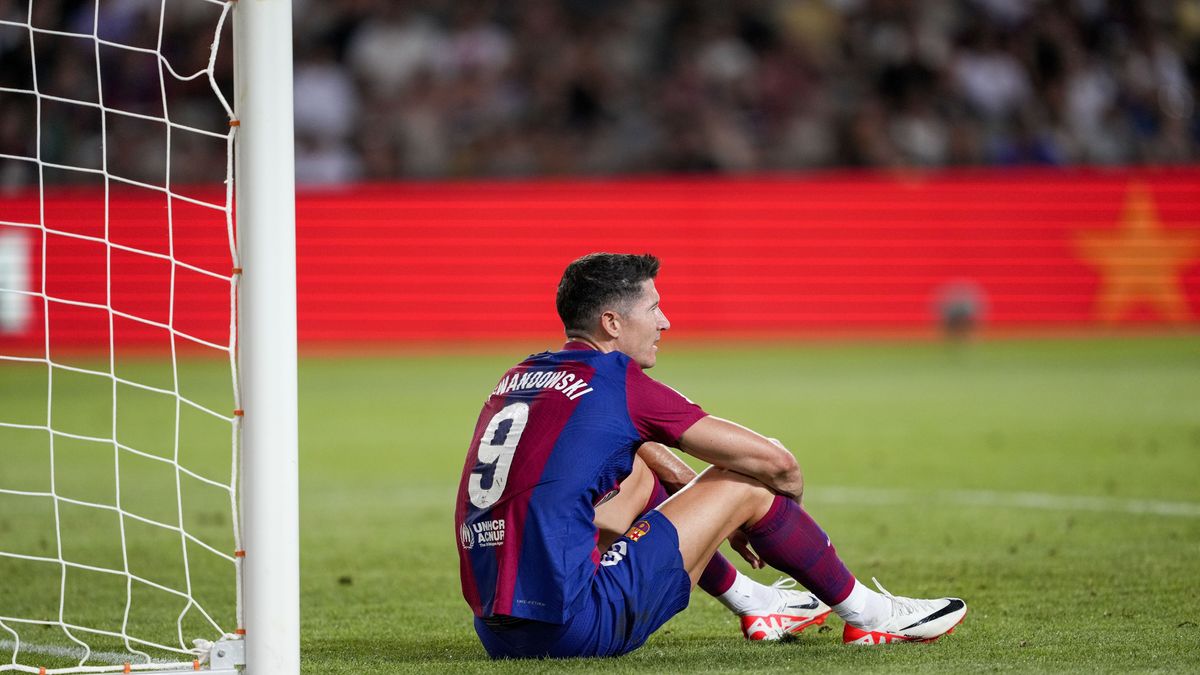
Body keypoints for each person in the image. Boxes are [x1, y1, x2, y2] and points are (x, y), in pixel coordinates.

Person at [454, 253, 966, 658]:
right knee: (746, 480)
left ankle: (758, 602)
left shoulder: (520, 376)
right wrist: (764, 514)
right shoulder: (618, 381)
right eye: (653, 308)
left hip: (499, 633)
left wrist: (700, 504)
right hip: (573, 628)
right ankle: (874, 615)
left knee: (634, 468)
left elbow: (629, 449)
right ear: (612, 322)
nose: (666, 321)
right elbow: (776, 465)